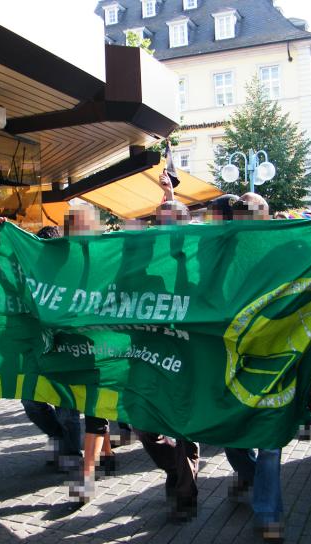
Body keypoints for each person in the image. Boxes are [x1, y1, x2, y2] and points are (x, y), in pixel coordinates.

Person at [209, 191, 285, 543]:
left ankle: (268, 513)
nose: (250, 219)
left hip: (276, 358)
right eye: (244, 213)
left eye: (256, 213)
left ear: (267, 215)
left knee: (269, 439)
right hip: (233, 358)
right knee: (232, 435)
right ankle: (252, 477)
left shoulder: (286, 249)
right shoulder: (224, 253)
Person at [132, 170, 200, 522]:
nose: (166, 225)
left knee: (184, 428)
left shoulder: (202, 255)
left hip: (187, 356)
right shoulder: (148, 255)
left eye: (173, 219)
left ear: (186, 223)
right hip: (148, 355)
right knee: (144, 425)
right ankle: (174, 470)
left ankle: (185, 495)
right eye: (161, 220)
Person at [65, 202, 116, 503]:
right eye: (74, 224)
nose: (79, 229)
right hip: (73, 344)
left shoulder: (110, 252)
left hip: (105, 345)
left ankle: (86, 477)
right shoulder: (60, 255)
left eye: (84, 223)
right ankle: (107, 453)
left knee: (95, 408)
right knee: (88, 403)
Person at [20, 225, 83, 472]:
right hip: (39, 350)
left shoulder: (73, 272)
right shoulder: (29, 273)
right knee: (31, 402)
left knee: (67, 408)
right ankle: (58, 437)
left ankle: (71, 452)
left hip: (68, 350)